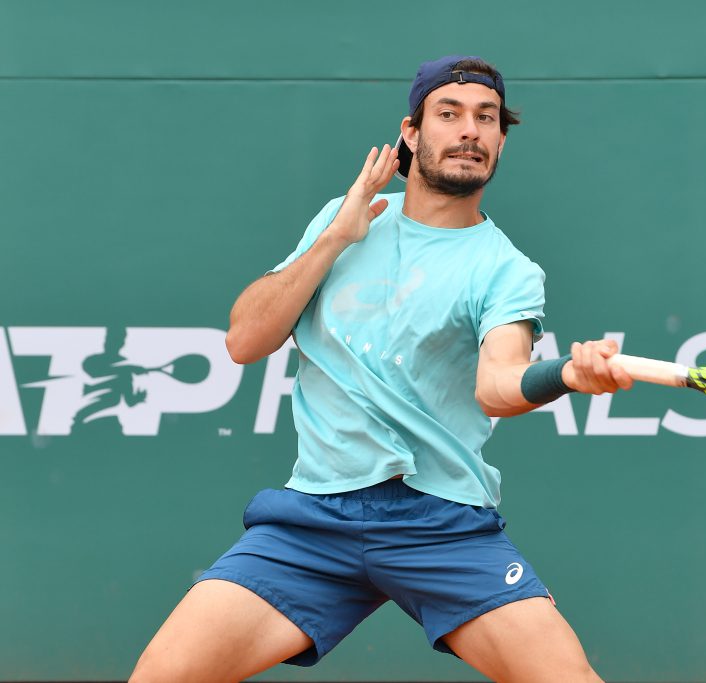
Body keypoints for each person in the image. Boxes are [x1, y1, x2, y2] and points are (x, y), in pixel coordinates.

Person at [130, 55, 632, 683]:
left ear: (501, 139)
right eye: (448, 115)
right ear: (412, 133)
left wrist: (566, 375)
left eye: (486, 118)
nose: (470, 131)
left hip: (441, 525)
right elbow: (244, 340)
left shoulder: (508, 270)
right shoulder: (343, 220)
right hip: (312, 521)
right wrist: (336, 237)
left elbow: (499, 386)